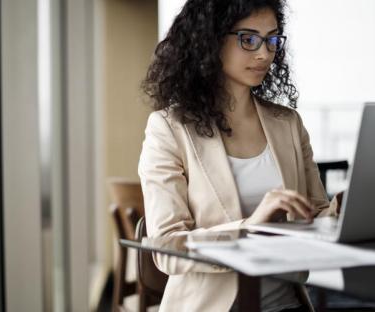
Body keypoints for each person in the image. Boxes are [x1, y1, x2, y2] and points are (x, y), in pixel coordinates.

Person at [138, 0, 337, 311]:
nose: (264, 54)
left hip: (288, 304)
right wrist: (250, 227)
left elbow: (316, 214)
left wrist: (345, 212)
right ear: (209, 39)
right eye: (248, 39)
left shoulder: (288, 124)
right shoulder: (169, 129)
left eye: (272, 39)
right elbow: (166, 247)